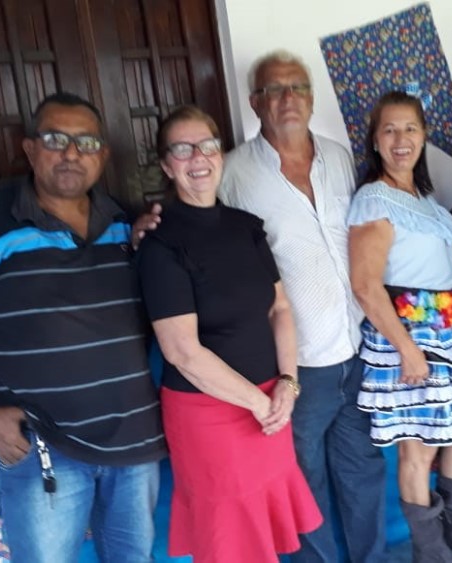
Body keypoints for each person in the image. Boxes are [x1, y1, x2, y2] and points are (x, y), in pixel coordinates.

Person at [0, 92, 167, 562]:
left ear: (103, 155)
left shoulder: (125, 222)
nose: (72, 153)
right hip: (43, 448)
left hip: (134, 443)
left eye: (86, 142)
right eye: (55, 139)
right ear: (29, 150)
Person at [218, 49, 387, 562]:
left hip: (358, 351)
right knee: (300, 484)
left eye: (297, 87)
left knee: (363, 474)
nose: (287, 98)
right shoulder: (231, 173)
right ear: (255, 102)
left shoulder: (340, 157)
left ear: (312, 99)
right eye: (274, 89)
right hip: (296, 367)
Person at [136, 105, 321, 561]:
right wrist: (258, 403)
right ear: (166, 166)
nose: (198, 157)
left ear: (221, 154)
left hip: (270, 402)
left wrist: (289, 382)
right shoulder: (161, 244)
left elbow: (279, 308)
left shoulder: (246, 227)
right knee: (230, 541)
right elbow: (182, 352)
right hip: (210, 415)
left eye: (207, 145)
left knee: (264, 532)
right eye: (182, 149)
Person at [348, 91, 452, 561]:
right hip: (407, 333)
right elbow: (366, 285)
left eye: (410, 128)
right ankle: (430, 552)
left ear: (423, 135)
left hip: (448, 329)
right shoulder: (375, 199)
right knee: (419, 450)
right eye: (390, 129)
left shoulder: (425, 200)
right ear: (375, 140)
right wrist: (407, 350)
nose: (401, 139)